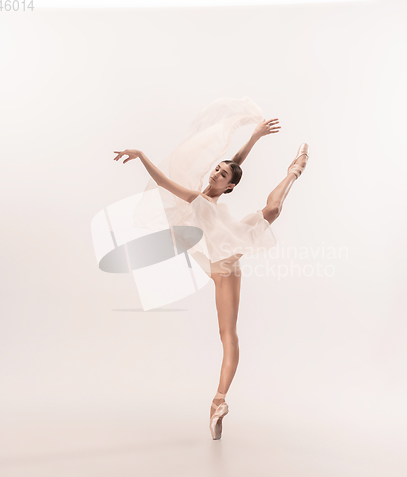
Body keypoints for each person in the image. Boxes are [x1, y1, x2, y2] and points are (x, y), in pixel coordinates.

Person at [113, 97, 310, 440]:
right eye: (217, 169)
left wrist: (253, 140)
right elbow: (165, 182)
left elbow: (233, 166)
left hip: (231, 253)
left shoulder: (210, 200)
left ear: (229, 187)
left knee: (273, 211)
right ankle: (218, 402)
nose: (218, 173)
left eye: (224, 175)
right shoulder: (196, 198)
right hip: (220, 266)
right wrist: (142, 156)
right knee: (227, 334)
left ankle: (294, 170)